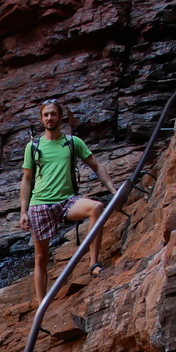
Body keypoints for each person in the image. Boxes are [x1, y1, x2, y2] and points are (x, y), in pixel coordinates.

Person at [18, 100, 117, 301]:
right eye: (46, 115)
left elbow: (96, 166)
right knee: (41, 258)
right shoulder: (33, 147)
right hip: (40, 204)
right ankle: (41, 307)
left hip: (67, 201)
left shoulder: (73, 142)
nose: (49, 118)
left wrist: (114, 191)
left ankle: (94, 264)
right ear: (41, 119)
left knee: (97, 207)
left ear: (60, 117)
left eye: (53, 114)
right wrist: (23, 211)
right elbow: (27, 180)